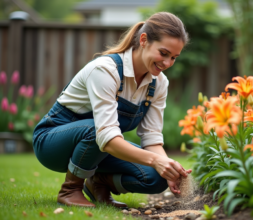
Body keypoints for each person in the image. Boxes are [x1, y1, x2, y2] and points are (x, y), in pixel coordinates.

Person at [33, 12, 191, 208]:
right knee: (95, 130)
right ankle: (70, 190)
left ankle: (98, 182)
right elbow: (106, 136)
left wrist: (169, 168)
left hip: (99, 148)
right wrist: (155, 160)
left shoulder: (158, 83)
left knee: (157, 178)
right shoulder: (106, 70)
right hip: (52, 143)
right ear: (144, 40)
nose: (167, 63)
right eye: (164, 53)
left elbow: (151, 137)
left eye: (174, 57)